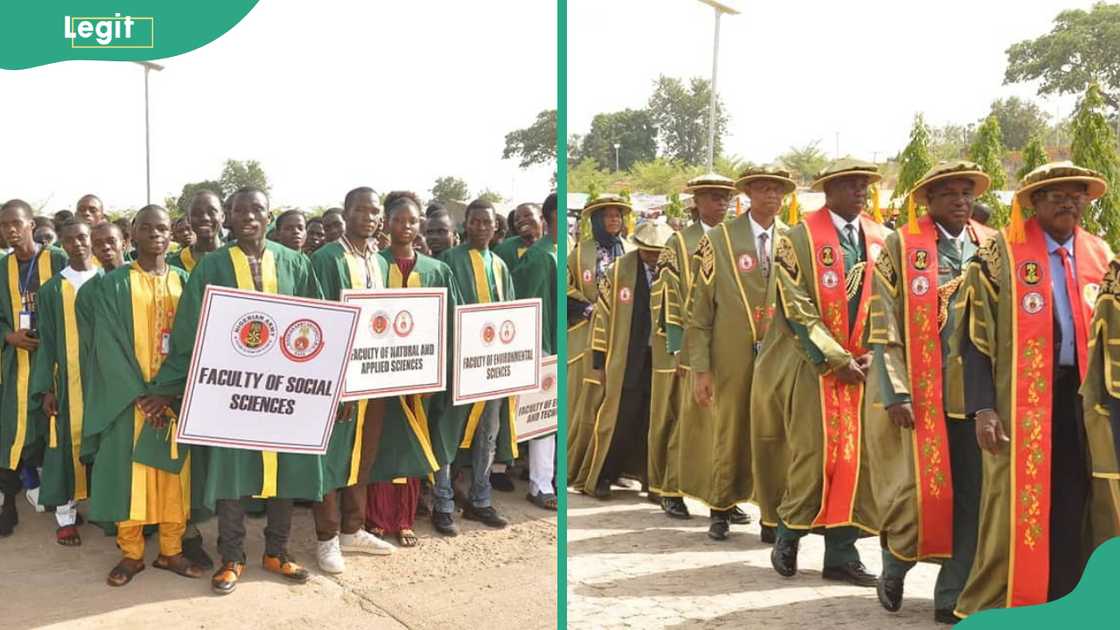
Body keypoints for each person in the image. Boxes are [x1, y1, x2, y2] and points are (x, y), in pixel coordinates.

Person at [952, 162, 1117, 619]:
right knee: (1022, 506)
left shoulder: (1100, 255)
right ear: (1033, 202)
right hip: (1021, 402)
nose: (1069, 201)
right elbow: (973, 339)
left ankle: (1069, 598)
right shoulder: (997, 256)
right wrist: (983, 407)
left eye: (1076, 194)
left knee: (1080, 500)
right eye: (1056, 194)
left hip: (1087, 404)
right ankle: (1012, 601)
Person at [151, 187, 322, 594]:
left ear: (268, 215)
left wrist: (332, 389)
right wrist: (168, 387)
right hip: (232, 391)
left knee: (282, 470)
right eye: (240, 210)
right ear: (228, 217)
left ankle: (277, 551)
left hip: (286, 391)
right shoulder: (211, 266)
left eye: (257, 209)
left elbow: (318, 325)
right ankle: (232, 556)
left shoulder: (296, 263)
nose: (249, 216)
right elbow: (189, 331)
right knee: (231, 474)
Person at [863, 161, 996, 623]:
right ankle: (897, 563)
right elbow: (882, 320)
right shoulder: (903, 246)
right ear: (929, 201)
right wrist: (895, 391)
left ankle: (950, 595)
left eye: (966, 193)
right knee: (917, 496)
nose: (961, 201)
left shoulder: (991, 245)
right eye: (950, 194)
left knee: (972, 495)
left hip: (974, 397)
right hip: (920, 393)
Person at [751, 159, 888, 587]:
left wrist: (875, 354)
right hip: (810, 364)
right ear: (828, 191)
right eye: (850, 185)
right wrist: (835, 358)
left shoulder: (882, 239)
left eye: (864, 185)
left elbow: (889, 302)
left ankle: (842, 555)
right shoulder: (799, 238)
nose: (860, 191)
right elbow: (796, 309)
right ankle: (789, 535)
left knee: (856, 459)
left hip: (862, 368)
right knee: (812, 456)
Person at [80, 205, 203, 586]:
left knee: (173, 477)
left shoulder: (186, 281)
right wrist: (140, 395)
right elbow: (108, 346)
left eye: (163, 228)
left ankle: (171, 551)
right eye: (147, 228)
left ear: (172, 234)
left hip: (172, 402)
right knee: (127, 477)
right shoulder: (114, 284)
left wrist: (166, 393)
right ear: (133, 234)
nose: (156, 234)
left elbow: (196, 343)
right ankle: (131, 554)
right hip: (128, 402)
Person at [679, 168, 793, 541]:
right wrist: (701, 368)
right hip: (729, 353)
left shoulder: (793, 241)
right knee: (729, 430)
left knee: (774, 433)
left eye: (777, 189)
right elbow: (699, 310)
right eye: (762, 188)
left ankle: (771, 516)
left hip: (778, 354)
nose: (771, 195)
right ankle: (720, 507)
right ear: (747, 194)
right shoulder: (720, 240)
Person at [308, 186, 395, 573]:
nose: (371, 217)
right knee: (330, 457)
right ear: (346, 212)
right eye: (363, 210)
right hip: (337, 377)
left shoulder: (379, 260)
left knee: (364, 452)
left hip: (371, 373)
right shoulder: (328, 258)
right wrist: (332, 382)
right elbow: (320, 322)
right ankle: (326, 538)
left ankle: (352, 529)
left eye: (376, 211)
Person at [365, 192, 460, 541]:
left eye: (412, 221)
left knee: (411, 443)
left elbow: (450, 323)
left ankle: (403, 518)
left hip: (420, 376)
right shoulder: (371, 266)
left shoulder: (438, 270)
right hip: (378, 373)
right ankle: (375, 517)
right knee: (379, 444)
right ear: (385, 224)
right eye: (398, 220)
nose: (406, 226)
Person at [650, 174, 735, 525]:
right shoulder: (679, 243)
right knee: (684, 421)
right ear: (696, 202)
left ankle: (724, 496)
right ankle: (672, 490)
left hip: (729, 346)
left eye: (725, 198)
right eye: (714, 198)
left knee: (726, 425)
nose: (721, 204)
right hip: (690, 345)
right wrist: (679, 351)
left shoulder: (734, 240)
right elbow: (668, 297)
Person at [568, 222, 672, 498]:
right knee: (619, 419)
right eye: (648, 252)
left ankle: (653, 482)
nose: (653, 258)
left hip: (660, 359)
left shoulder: (672, 271)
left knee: (654, 419)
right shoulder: (618, 271)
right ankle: (603, 476)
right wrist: (600, 363)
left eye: (657, 252)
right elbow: (601, 319)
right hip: (626, 359)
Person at [437, 199, 516, 532]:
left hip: (492, 366)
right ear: (464, 225)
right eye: (475, 222)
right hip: (459, 363)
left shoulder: (499, 264)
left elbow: (511, 313)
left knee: (489, 433)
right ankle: (443, 502)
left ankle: (480, 500)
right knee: (448, 432)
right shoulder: (448, 262)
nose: (482, 227)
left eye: (488, 222)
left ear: (496, 227)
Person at [26, 219, 98, 546]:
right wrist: (46, 389)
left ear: (92, 239)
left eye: (83, 237)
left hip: (104, 384)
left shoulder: (109, 280)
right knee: (63, 451)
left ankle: (109, 509)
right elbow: (48, 344)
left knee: (106, 448)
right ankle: (66, 516)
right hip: (67, 385)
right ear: (62, 245)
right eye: (70, 240)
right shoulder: (52, 289)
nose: (77, 244)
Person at [0, 199, 69, 537]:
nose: (11, 230)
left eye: (16, 223)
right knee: (12, 432)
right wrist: (8, 335)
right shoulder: (1, 268)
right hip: (15, 364)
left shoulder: (57, 260)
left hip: (55, 359)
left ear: (31, 225)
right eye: (4, 225)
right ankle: (8, 504)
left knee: (54, 430)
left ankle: (60, 500)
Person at [566, 194, 634, 491]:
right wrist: (587, 307)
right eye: (607, 216)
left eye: (618, 215)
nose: (613, 220)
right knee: (589, 398)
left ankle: (613, 465)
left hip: (626, 335)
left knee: (620, 400)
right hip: (589, 334)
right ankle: (581, 463)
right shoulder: (581, 252)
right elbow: (565, 286)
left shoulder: (632, 251)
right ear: (595, 221)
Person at [513, 193, 559, 511]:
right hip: (543, 347)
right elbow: (529, 304)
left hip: (566, 343)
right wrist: (540, 350)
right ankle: (539, 484)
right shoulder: (539, 256)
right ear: (548, 219)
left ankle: (552, 478)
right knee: (543, 418)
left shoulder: (562, 251)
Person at [168, 190, 224, 273]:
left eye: (211, 212)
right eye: (197, 213)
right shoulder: (173, 263)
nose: (205, 218)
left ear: (222, 217)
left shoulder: (238, 258)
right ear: (189, 219)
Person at [494, 202, 543, 271]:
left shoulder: (554, 246)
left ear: (541, 218)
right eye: (516, 219)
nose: (521, 220)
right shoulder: (503, 250)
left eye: (527, 215)